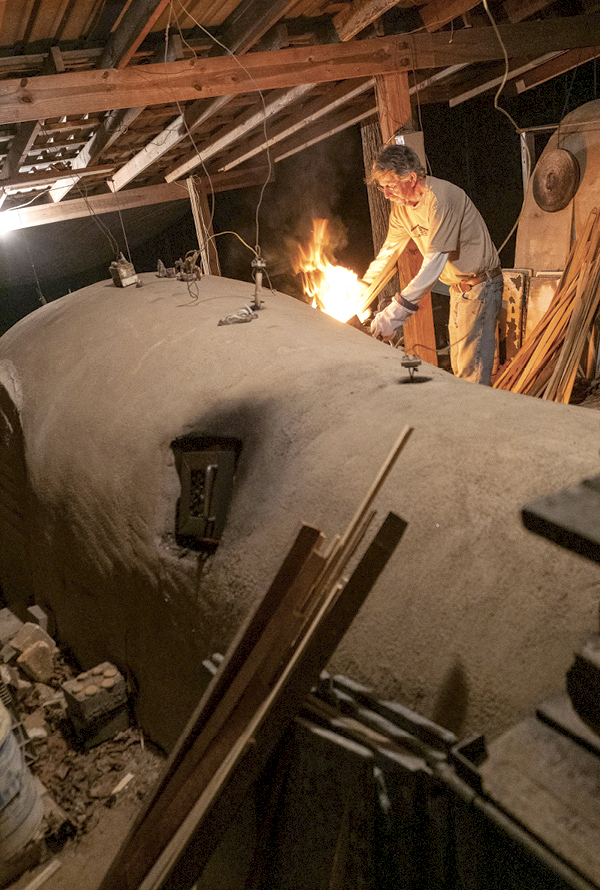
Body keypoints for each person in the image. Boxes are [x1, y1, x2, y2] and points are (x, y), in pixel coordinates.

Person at [364, 145, 503, 385]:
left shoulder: (440, 199)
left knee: (473, 375)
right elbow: (388, 253)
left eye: (391, 185)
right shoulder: (401, 209)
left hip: (481, 287)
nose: (386, 194)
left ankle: (481, 420)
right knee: (462, 369)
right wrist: (363, 290)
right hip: (459, 291)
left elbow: (433, 264)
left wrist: (396, 313)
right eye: (382, 187)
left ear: (412, 178)